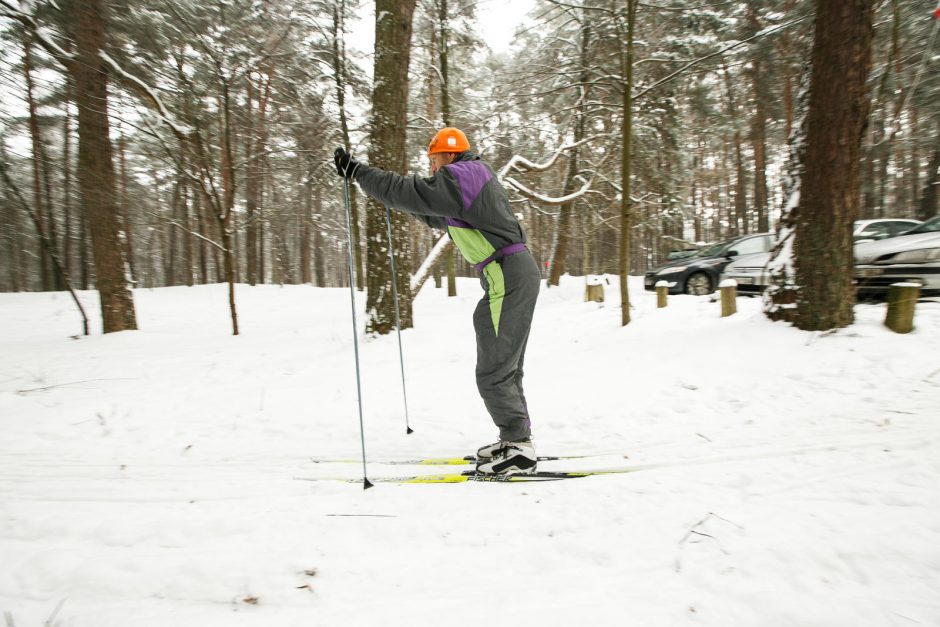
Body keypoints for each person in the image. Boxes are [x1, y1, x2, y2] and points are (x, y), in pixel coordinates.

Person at [334, 128, 541, 475]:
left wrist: (359, 172)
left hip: (509, 275)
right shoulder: (467, 181)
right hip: (508, 275)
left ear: (449, 155)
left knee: (494, 370)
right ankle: (514, 439)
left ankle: (519, 446)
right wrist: (381, 192)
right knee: (503, 365)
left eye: (433, 160)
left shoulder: (464, 174)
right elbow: (427, 209)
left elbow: (414, 192)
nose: (431, 168)